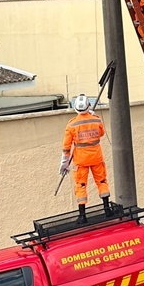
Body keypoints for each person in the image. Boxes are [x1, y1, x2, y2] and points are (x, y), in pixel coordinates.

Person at [61, 94, 112, 223]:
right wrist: (92, 117)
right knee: (101, 181)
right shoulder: (96, 119)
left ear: (76, 108)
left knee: (81, 185)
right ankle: (107, 209)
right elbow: (101, 133)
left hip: (81, 160)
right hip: (96, 157)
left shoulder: (71, 125)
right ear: (89, 106)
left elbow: (66, 147)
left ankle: (82, 215)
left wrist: (64, 164)